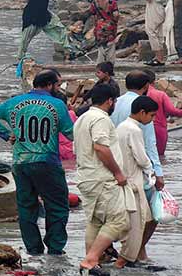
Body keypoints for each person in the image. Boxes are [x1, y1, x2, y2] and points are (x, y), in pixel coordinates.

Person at [0, 69, 73, 255]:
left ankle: (33, 249)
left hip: (21, 163)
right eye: (58, 84)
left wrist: (6, 135)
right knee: (57, 206)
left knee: (26, 208)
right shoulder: (57, 105)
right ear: (49, 85)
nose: (59, 88)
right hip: (47, 163)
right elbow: (70, 134)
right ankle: (55, 248)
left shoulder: (13, 102)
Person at [73, 84, 130, 275]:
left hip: (86, 176)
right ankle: (90, 260)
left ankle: (93, 261)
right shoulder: (100, 119)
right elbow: (101, 147)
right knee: (119, 220)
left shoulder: (82, 118)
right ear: (110, 101)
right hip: (101, 178)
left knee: (96, 220)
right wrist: (118, 173)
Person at [114, 95, 159, 269]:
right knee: (137, 224)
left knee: (136, 221)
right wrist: (152, 172)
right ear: (142, 112)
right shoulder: (134, 130)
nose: (152, 119)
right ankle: (123, 260)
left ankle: (126, 257)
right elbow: (141, 158)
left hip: (124, 179)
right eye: (152, 115)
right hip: (133, 182)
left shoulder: (121, 127)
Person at [144, 69, 182, 156]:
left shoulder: (137, 95)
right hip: (159, 129)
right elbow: (171, 110)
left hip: (141, 128)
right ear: (154, 81)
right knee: (159, 156)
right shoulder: (160, 94)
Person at [143, 0, 169, 66]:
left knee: (151, 31)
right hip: (161, 7)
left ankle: (159, 58)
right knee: (159, 33)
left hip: (154, 7)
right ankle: (160, 57)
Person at [88, 0, 119, 64]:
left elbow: (93, 16)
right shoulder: (112, 2)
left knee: (101, 48)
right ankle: (109, 66)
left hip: (99, 28)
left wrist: (96, 25)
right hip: (110, 28)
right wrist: (115, 21)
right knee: (110, 49)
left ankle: (100, 65)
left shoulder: (94, 2)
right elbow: (116, 15)